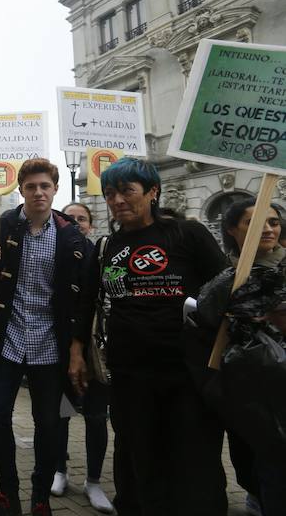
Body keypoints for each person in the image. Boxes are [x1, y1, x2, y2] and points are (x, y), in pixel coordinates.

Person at [68, 157, 228, 516]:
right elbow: (87, 302)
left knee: (193, 458)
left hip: (187, 370)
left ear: (152, 192)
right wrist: (77, 350)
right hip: (130, 372)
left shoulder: (187, 234)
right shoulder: (106, 246)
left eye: (127, 191)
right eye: (110, 194)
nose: (117, 200)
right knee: (137, 456)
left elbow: (224, 290)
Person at [0, 158, 88, 516]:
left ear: (55, 189)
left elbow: (85, 297)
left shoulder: (71, 235)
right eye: (31, 187)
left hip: (50, 344)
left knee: (49, 424)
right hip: (6, 340)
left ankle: (40, 497)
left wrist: (77, 349)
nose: (38, 192)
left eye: (45, 186)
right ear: (20, 190)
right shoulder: (1, 226)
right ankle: (7, 494)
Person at [195, 200, 286, 516]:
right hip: (250, 390)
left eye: (273, 222)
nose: (268, 228)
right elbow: (205, 318)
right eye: (255, 222)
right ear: (232, 230)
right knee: (260, 463)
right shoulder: (226, 279)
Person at [50, 203, 112, 513]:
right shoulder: (53, 252)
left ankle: (94, 480)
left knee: (97, 416)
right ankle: (60, 470)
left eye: (82, 219)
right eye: (69, 218)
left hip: (94, 347)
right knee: (61, 413)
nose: (75, 223)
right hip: (60, 346)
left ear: (90, 224)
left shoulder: (101, 255)